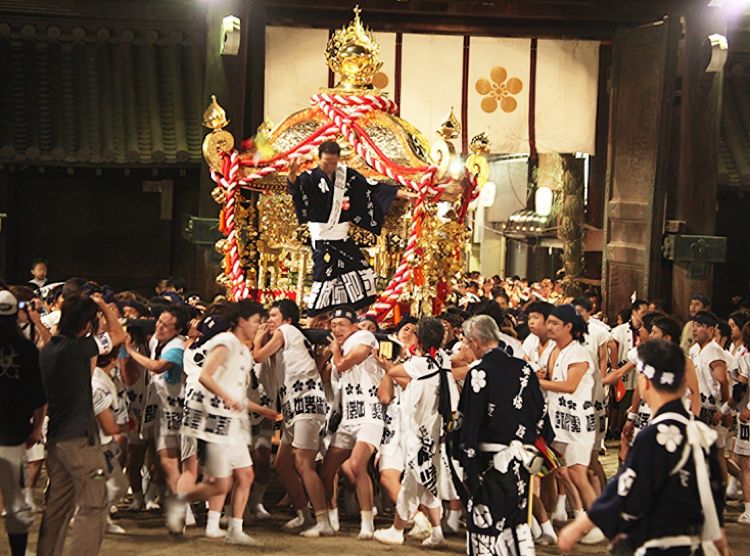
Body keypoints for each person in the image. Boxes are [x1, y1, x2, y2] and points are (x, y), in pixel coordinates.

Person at [558, 339, 729, 556]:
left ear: (645, 382)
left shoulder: (656, 435)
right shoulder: (702, 434)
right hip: (699, 545)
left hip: (664, 547)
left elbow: (628, 488)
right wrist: (720, 541)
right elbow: (713, 491)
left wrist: (580, 527)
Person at [172, 300, 278, 545]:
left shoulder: (238, 348)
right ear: (241, 321)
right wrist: (227, 398)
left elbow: (233, 390)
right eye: (255, 321)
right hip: (213, 416)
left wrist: (258, 408)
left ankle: (230, 528)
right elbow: (206, 376)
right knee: (223, 477)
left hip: (227, 417)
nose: (258, 326)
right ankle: (186, 508)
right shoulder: (226, 343)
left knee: (242, 474)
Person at [37, 293, 125, 556]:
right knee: (93, 504)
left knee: (57, 506)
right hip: (80, 442)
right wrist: (101, 306)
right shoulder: (79, 349)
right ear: (87, 324)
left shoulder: (48, 350)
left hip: (56, 439)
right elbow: (118, 334)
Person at [456, 314, 552, 555]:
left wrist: (467, 461)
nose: (469, 348)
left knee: (485, 525)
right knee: (517, 523)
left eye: (468, 343)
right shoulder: (524, 369)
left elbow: (469, 422)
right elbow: (542, 416)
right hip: (521, 464)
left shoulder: (479, 372)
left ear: (476, 341)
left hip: (489, 464)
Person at [287, 141, 401, 315]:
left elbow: (371, 187)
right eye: (326, 163)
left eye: (333, 163)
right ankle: (312, 317)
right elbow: (296, 189)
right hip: (323, 240)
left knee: (366, 276)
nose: (330, 167)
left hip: (342, 237)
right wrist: (292, 173)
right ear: (319, 159)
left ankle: (355, 317)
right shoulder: (309, 177)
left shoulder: (347, 175)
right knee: (324, 283)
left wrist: (406, 194)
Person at [373, 318, 458, 547]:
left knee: (414, 482)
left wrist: (387, 365)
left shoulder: (421, 363)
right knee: (426, 483)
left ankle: (397, 530)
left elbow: (395, 371)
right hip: (435, 431)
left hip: (418, 433)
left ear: (419, 338)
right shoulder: (443, 359)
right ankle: (435, 531)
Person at [252, 299, 332, 537]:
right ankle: (304, 515)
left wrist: (258, 338)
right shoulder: (294, 339)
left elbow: (257, 356)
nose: (269, 321)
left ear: (287, 320)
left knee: (303, 462)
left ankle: (323, 519)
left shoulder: (286, 331)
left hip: (305, 402)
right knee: (283, 463)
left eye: (274, 316)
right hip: (293, 405)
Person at [538, 304, 605, 545]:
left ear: (569, 327)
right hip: (556, 419)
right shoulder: (552, 349)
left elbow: (569, 386)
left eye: (555, 323)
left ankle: (597, 521)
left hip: (576, 420)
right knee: (558, 471)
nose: (550, 327)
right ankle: (575, 516)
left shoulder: (579, 353)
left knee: (578, 473)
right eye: (549, 322)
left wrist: (540, 382)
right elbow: (547, 375)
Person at [319, 306, 384, 540]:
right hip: (348, 417)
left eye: (341, 325)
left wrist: (335, 352)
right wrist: (327, 354)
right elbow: (324, 375)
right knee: (327, 471)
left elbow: (345, 363)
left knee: (357, 465)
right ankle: (330, 517)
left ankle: (367, 523)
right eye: (333, 325)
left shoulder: (363, 337)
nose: (336, 329)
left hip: (369, 414)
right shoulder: (340, 347)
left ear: (354, 325)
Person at [0, 291, 46, 556]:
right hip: (13, 434)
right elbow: (39, 395)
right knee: (15, 498)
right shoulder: (27, 348)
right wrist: (37, 427)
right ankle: (18, 553)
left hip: (13, 432)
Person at [125, 305, 188, 498]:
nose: (159, 328)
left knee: (170, 459)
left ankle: (182, 505)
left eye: (166, 325)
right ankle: (160, 496)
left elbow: (157, 367)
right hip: (157, 405)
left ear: (177, 330)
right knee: (158, 455)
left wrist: (129, 350)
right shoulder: (156, 340)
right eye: (159, 322)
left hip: (173, 408)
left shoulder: (177, 346)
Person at [690, 311, 731, 480]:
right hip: (701, 406)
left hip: (715, 408)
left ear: (711, 330)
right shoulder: (695, 350)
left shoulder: (714, 351)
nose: (694, 329)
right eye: (694, 325)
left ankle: (720, 492)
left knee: (716, 455)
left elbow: (723, 381)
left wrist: (725, 410)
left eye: (699, 326)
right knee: (703, 453)